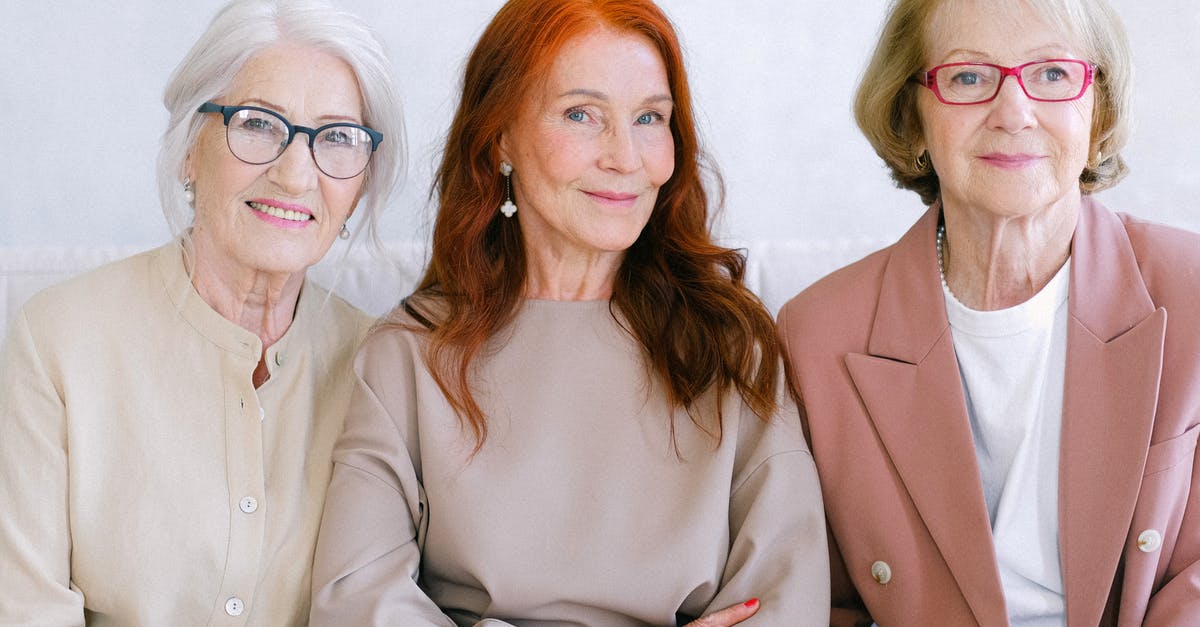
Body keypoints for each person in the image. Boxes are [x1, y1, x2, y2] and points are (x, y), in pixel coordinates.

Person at [308, 0, 829, 625]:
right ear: (500, 136)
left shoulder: (731, 346)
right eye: (582, 114)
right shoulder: (407, 352)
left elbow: (783, 602)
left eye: (649, 118)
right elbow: (357, 605)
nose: (625, 156)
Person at [777, 0, 1200, 625]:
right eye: (969, 76)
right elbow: (817, 599)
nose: (1015, 113)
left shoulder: (1190, 290)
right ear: (911, 117)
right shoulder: (815, 334)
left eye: (1052, 74)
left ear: (1098, 110)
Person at [0, 0, 403, 623]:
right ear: (191, 146)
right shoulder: (57, 341)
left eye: (338, 138)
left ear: (361, 184)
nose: (296, 174)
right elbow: (25, 607)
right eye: (258, 124)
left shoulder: (384, 367)